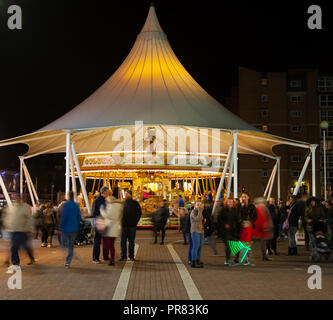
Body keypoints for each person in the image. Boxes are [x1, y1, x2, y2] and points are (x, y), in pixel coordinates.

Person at [3, 199, 35, 267]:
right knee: (23, 246)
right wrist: (7, 225)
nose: (16, 199)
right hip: (12, 230)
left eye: (18, 198)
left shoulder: (25, 207)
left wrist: (27, 228)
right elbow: (8, 217)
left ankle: (15, 262)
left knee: (14, 247)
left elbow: (29, 219)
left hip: (21, 230)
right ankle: (30, 258)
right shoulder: (11, 207)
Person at [60, 191, 81, 268]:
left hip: (66, 228)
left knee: (63, 244)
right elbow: (79, 216)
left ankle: (72, 255)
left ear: (68, 196)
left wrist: (61, 226)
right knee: (70, 245)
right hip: (74, 228)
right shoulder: (76, 205)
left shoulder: (66, 205)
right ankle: (68, 262)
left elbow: (64, 216)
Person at [100, 196, 124, 266]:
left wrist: (101, 210)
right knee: (111, 245)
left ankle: (112, 258)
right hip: (116, 228)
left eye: (106, 201)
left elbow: (107, 215)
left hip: (110, 228)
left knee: (108, 244)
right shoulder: (120, 206)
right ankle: (112, 258)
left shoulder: (111, 206)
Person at [217, 198, 240, 265]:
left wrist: (237, 226)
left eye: (231, 202)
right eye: (229, 202)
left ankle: (236, 258)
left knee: (237, 244)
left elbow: (237, 220)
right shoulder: (223, 210)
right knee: (228, 246)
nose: (230, 203)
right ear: (226, 203)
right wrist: (224, 224)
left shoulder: (234, 210)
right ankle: (227, 259)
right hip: (225, 232)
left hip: (233, 231)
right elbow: (219, 219)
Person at [120, 190, 142, 261]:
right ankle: (124, 256)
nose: (125, 196)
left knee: (130, 241)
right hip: (125, 225)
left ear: (129, 195)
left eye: (126, 194)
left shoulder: (135, 203)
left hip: (130, 225)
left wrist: (135, 221)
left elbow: (139, 213)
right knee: (124, 241)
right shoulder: (123, 203)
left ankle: (130, 256)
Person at [237, 192, 257, 266]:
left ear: (248, 197)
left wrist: (250, 222)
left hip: (248, 226)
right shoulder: (239, 206)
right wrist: (242, 206)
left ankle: (249, 259)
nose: (243, 198)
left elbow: (255, 216)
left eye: (245, 196)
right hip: (242, 227)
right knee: (242, 243)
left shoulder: (251, 206)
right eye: (242, 197)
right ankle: (245, 260)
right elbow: (238, 215)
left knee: (247, 244)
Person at [92, 186, 109, 263]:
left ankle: (105, 256)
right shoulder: (97, 201)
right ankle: (95, 258)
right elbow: (94, 212)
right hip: (100, 221)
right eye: (108, 192)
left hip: (104, 221)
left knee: (105, 240)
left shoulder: (105, 200)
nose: (108, 193)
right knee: (98, 240)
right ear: (104, 192)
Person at [190, 201, 205, 268]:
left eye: (200, 205)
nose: (199, 206)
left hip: (201, 231)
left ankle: (197, 260)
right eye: (197, 205)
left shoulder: (201, 212)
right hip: (195, 231)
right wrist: (199, 210)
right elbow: (198, 219)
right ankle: (193, 261)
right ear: (194, 206)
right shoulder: (193, 212)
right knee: (195, 246)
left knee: (200, 246)